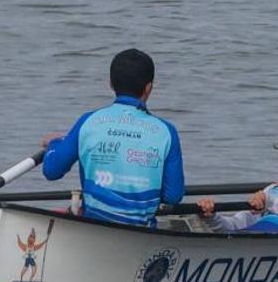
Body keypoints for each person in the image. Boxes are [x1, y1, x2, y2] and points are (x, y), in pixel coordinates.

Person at [40, 48, 185, 226]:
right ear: (149, 88)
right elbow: (173, 196)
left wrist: (55, 143)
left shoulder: (88, 122)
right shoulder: (167, 132)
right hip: (143, 235)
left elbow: (52, 170)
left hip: (95, 230)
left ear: (110, 84)